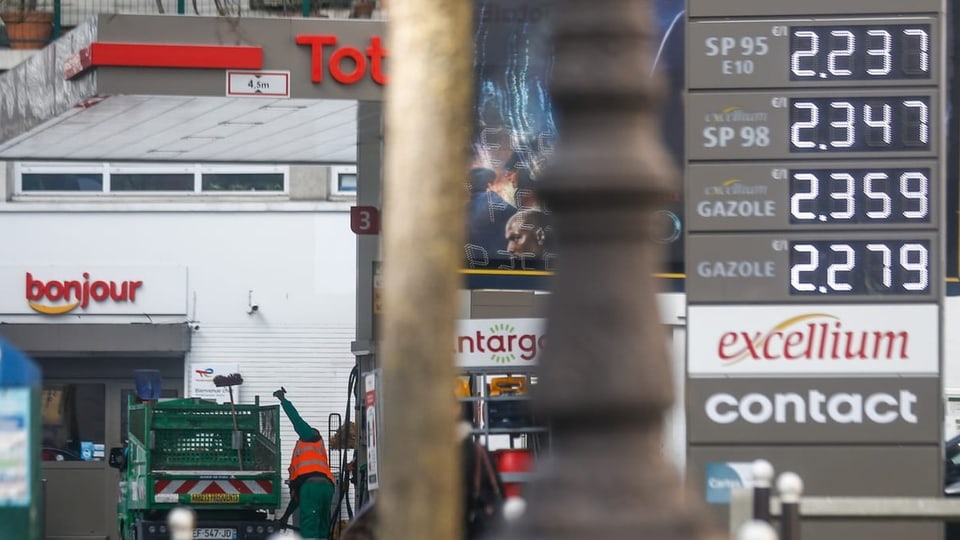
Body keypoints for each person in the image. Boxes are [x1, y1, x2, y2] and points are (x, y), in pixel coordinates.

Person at [274, 387, 335, 540]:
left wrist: (283, 401)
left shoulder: (309, 436)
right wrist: (285, 517)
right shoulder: (315, 451)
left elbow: (297, 420)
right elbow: (297, 498)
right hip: (326, 488)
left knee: (309, 528)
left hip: (312, 487)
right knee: (322, 527)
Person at [466, 167, 517, 266]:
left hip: (472, 263)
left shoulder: (463, 209)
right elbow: (518, 217)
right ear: (489, 184)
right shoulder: (492, 199)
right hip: (498, 262)